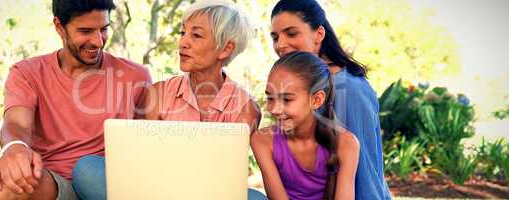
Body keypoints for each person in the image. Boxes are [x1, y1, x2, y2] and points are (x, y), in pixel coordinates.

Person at [0, 0, 151, 199]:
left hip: (72, 188)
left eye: (104, 29)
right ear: (59, 26)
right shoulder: (27, 72)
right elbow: (17, 123)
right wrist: (15, 148)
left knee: (23, 180)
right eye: (86, 31)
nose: (98, 41)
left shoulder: (135, 77)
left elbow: (145, 146)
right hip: (24, 171)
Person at [70, 1, 264, 199]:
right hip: (154, 189)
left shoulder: (246, 109)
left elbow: (225, 179)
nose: (183, 43)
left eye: (196, 35)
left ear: (225, 49)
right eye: (182, 33)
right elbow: (140, 162)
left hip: (208, 194)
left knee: (255, 198)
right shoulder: (158, 94)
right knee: (86, 168)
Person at [269, 0, 391, 199]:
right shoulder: (298, 87)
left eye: (291, 33)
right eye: (275, 37)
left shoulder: (349, 88)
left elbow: (365, 168)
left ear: (319, 34)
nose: (280, 44)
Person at [251, 51, 360, 200]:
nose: (274, 109)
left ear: (316, 100)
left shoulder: (347, 144)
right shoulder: (262, 141)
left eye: (287, 99)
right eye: (270, 98)